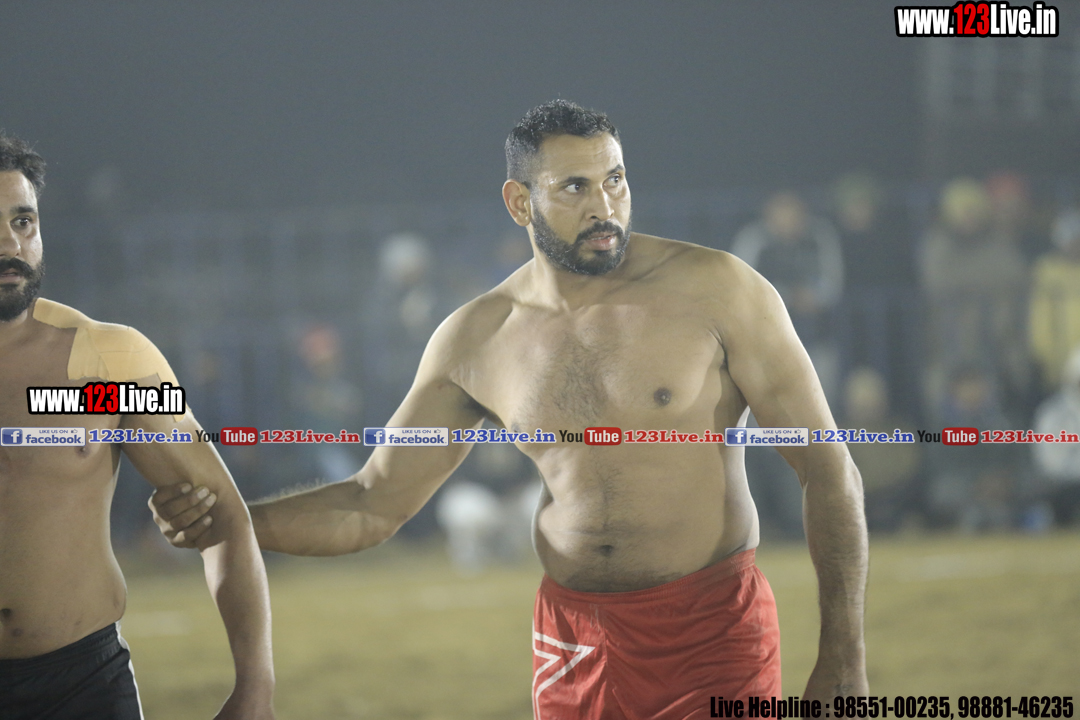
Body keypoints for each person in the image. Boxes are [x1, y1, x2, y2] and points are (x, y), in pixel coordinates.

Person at [153, 100, 868, 716]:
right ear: (520, 202)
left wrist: (844, 655)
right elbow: (372, 503)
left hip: (710, 627)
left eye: (616, 179)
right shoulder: (477, 337)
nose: (605, 205)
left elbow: (827, 470)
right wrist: (233, 521)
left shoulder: (721, 289)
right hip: (570, 640)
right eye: (575, 186)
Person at [0, 133, 275, 719]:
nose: (10, 244)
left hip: (81, 689)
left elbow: (223, 516)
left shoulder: (103, 363)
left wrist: (255, 690)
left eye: (23, 222)